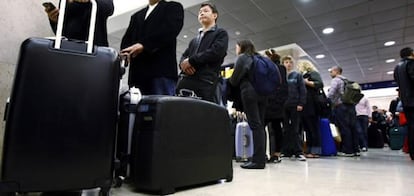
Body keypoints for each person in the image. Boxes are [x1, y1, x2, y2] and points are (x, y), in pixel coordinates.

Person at [120, 0, 184, 95]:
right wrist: (125, 53)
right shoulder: (136, 16)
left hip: (161, 72)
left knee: (163, 107)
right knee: (137, 108)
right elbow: (127, 39)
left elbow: (170, 30)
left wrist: (144, 45)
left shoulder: (173, 7)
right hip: (137, 74)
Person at [176, 2, 229, 103]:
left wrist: (191, 61)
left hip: (206, 82)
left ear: (214, 15)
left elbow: (216, 52)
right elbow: (184, 56)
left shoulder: (220, 33)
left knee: (204, 114)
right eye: (200, 12)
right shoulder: (194, 40)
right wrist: (183, 64)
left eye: (205, 11)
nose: (202, 13)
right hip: (187, 82)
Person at [229, 39, 267, 169]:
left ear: (241, 47)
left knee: (255, 125)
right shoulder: (260, 58)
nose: (236, 49)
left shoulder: (243, 58)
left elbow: (234, 80)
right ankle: (261, 157)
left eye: (236, 47)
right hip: (263, 94)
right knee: (260, 125)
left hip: (249, 93)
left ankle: (258, 161)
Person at [45, 0, 114, 47]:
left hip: (94, 48)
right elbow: (63, 32)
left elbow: (108, 8)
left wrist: (88, 1)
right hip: (69, 49)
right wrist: (55, 21)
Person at [327, 66, 359, 157]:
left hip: (341, 106)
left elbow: (331, 94)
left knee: (344, 128)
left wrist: (327, 101)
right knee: (353, 128)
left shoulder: (336, 80)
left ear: (336, 71)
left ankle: (347, 150)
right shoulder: (347, 81)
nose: (330, 73)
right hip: (351, 106)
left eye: (331, 71)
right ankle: (356, 149)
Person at [281, 56, 307, 161]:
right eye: (286, 62)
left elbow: (302, 90)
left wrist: (301, 103)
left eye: (290, 62)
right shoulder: (281, 76)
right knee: (286, 129)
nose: (288, 64)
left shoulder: (297, 75)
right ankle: (286, 151)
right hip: (283, 106)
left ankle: (298, 152)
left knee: (296, 129)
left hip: (295, 105)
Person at [264, 49, 287, 163]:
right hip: (278, 103)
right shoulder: (282, 69)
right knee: (277, 128)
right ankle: (276, 154)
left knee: (262, 127)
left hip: (270, 102)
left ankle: (263, 153)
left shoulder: (270, 68)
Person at [297, 59, 324, 158]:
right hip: (305, 105)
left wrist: (306, 82)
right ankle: (309, 150)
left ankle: (316, 151)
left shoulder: (313, 73)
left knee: (313, 128)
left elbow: (320, 84)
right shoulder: (302, 75)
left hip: (312, 104)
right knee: (308, 129)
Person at [394, 47, 414, 160]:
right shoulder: (411, 64)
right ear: (411, 53)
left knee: (411, 127)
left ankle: (412, 151)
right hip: (412, 99)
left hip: (406, 102)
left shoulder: (397, 67)